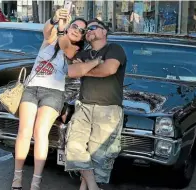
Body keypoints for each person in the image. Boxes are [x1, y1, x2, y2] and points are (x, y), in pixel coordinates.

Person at [11, 9, 102, 190]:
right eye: (74, 25)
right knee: (24, 130)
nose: (76, 30)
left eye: (81, 30)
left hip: (53, 92)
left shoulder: (75, 51)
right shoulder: (50, 39)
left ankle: (36, 182)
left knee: (40, 132)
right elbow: (47, 31)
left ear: (83, 37)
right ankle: (17, 178)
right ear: (69, 26)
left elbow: (66, 48)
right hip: (31, 88)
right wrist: (54, 19)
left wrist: (62, 30)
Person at [64, 18, 127, 190]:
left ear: (104, 32)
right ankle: (92, 187)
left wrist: (84, 68)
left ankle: (86, 187)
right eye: (87, 30)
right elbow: (71, 71)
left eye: (94, 27)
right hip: (83, 106)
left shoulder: (114, 49)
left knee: (98, 157)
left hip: (108, 109)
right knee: (74, 148)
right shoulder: (84, 54)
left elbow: (109, 70)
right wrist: (92, 64)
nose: (89, 31)